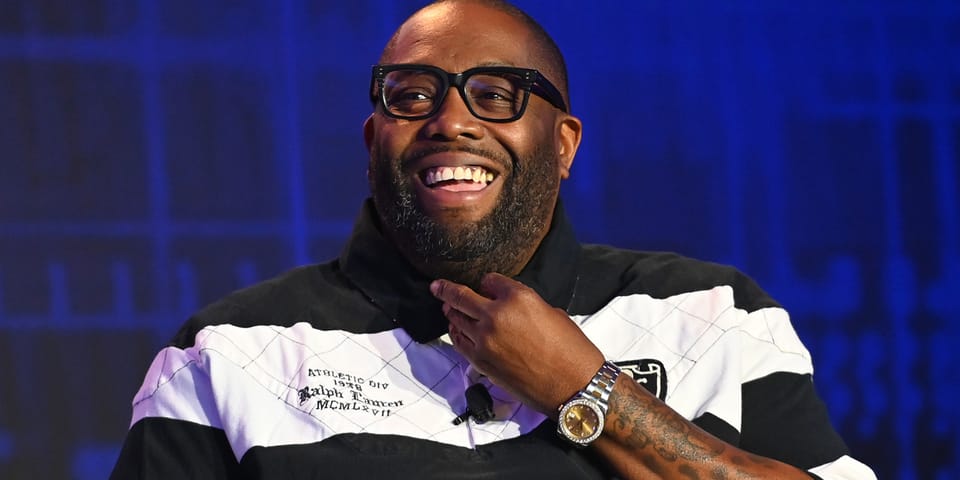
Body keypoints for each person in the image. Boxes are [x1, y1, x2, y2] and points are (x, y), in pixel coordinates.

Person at [111, 1, 876, 478]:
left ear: (564, 144)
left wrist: (588, 390)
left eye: (495, 94)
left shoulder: (713, 316)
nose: (450, 122)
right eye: (412, 95)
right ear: (373, 141)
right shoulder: (227, 355)